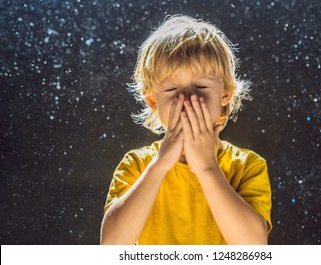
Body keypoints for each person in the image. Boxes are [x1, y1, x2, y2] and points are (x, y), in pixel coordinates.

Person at [100, 15, 272, 245]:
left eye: (201, 86)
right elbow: (111, 247)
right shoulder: (137, 165)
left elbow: (254, 248)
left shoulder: (248, 165)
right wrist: (161, 163)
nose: (187, 99)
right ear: (152, 101)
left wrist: (206, 166)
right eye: (171, 89)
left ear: (225, 94)